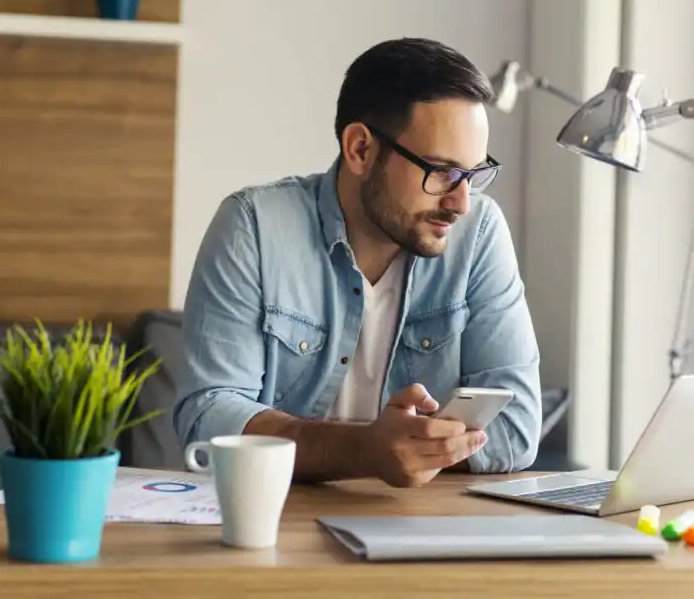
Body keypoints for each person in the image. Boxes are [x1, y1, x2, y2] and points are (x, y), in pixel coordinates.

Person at [172, 37, 541, 488]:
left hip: (422, 528)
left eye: (473, 174)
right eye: (441, 171)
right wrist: (365, 451)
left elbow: (518, 427)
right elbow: (208, 417)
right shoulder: (254, 226)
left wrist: (405, 451)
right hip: (276, 522)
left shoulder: (479, 233)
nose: (461, 202)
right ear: (361, 149)